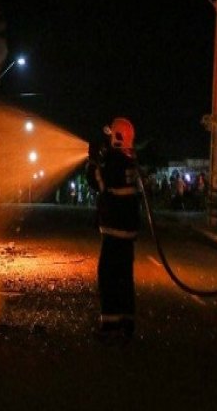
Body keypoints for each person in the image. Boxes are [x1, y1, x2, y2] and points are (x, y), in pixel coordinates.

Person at [87, 117, 141, 340]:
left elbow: (98, 183)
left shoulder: (115, 160)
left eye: (111, 136)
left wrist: (92, 162)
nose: (108, 139)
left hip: (114, 230)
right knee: (124, 277)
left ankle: (109, 326)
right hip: (127, 230)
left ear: (118, 138)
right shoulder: (130, 160)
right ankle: (127, 322)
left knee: (108, 276)